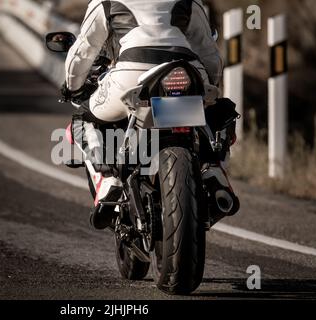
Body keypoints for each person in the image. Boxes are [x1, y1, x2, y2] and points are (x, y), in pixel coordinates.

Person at [63, 0, 235, 229]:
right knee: (216, 111)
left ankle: (108, 181)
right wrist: (209, 82)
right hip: (185, 69)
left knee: (84, 117)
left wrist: (72, 87)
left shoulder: (105, 2)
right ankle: (213, 171)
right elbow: (208, 51)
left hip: (130, 76)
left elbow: (84, 51)